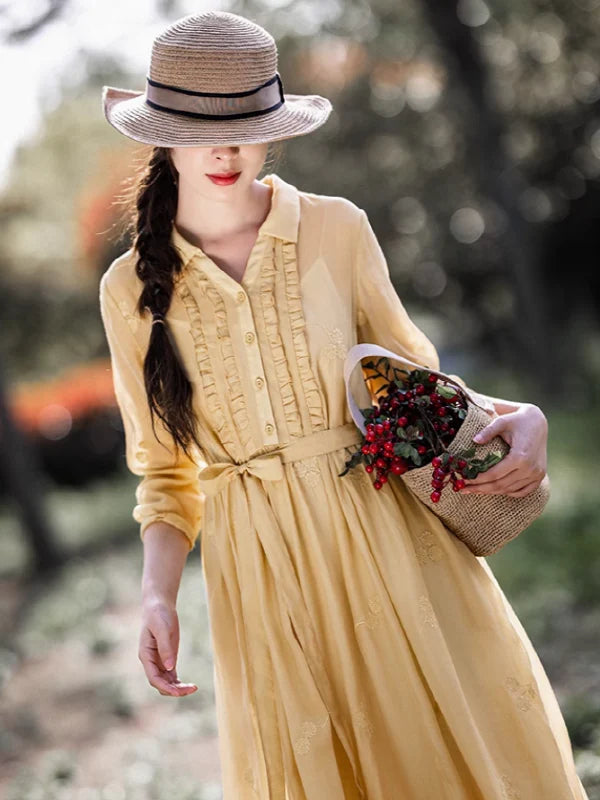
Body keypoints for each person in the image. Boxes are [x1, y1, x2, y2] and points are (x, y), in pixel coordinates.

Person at [99, 10, 589, 800]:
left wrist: (522, 416)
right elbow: (163, 475)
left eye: (246, 126)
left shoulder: (336, 230)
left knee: (446, 758)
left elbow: (414, 386)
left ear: (275, 129)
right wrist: (157, 596)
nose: (225, 150)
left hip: (389, 539)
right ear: (160, 135)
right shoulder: (127, 290)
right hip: (259, 575)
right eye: (198, 130)